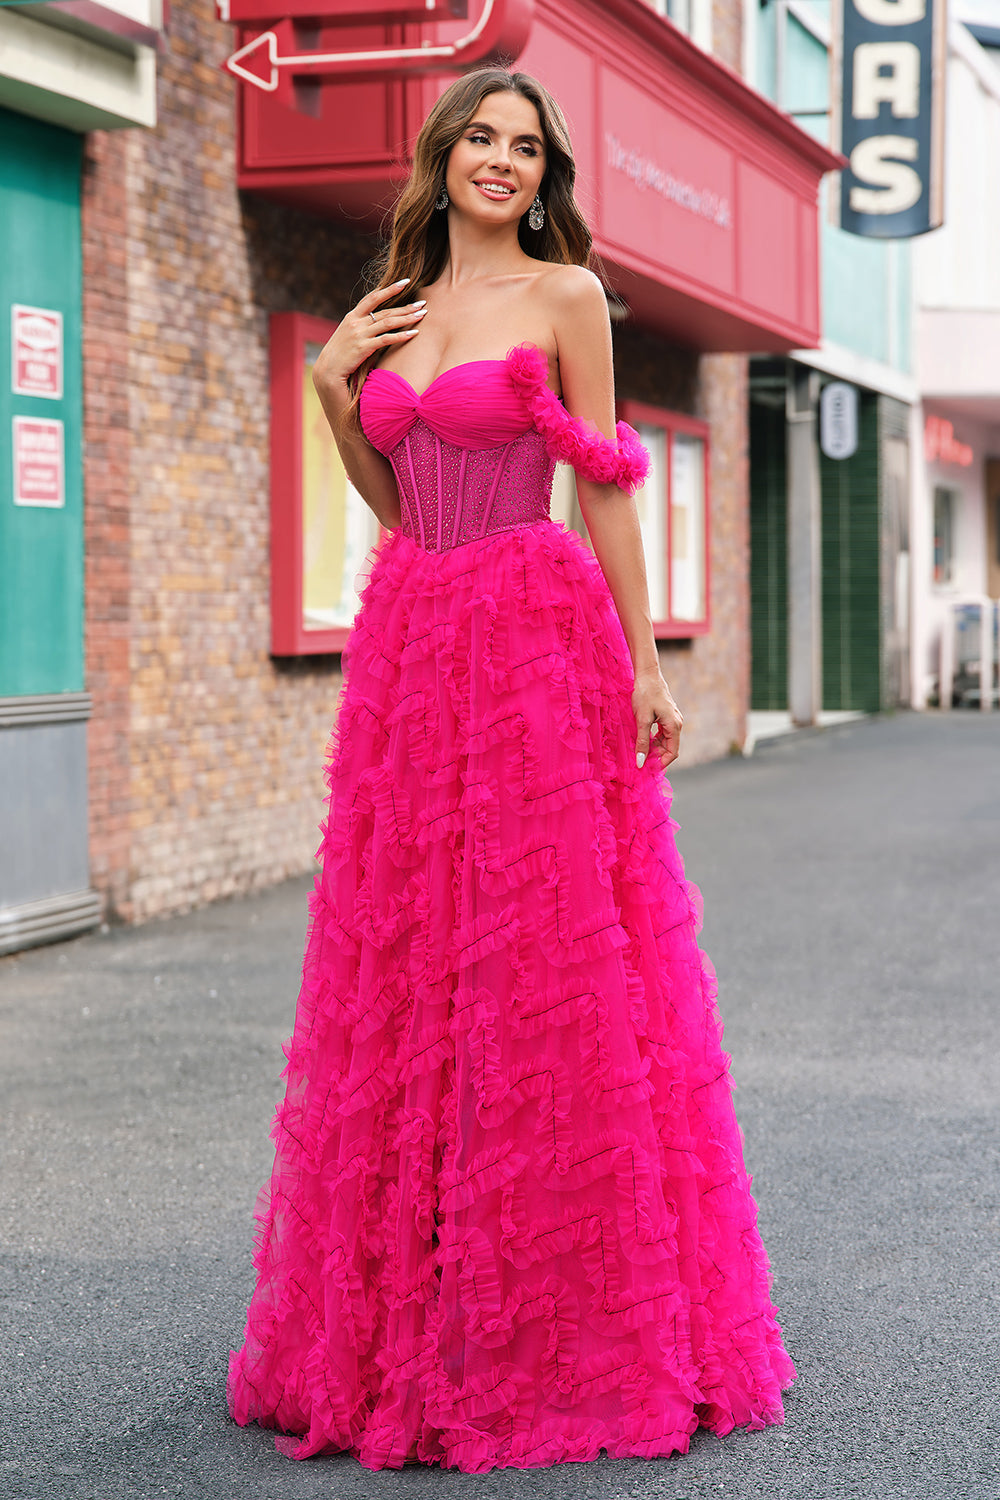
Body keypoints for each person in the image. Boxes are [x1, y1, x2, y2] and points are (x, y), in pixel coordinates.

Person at [228, 65, 795, 1474]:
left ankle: (559, 1318)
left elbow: (601, 481)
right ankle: (418, 1302)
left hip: (533, 636)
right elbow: (393, 494)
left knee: (543, 961)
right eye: (479, 139)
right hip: (415, 632)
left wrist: (649, 661)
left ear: (546, 177)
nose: (500, 161)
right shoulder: (400, 305)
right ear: (441, 157)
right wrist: (329, 380)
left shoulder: (566, 298)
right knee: (414, 961)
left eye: (525, 147)